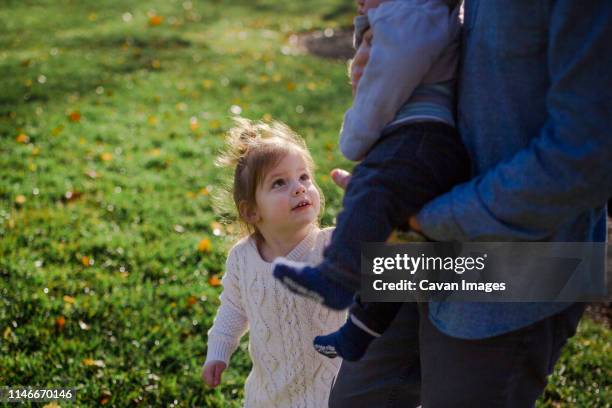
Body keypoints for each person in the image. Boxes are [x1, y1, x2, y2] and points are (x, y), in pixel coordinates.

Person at [330, 0, 612, 407]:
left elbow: (586, 158)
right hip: (413, 237)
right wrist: (374, 35)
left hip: (518, 267)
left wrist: (431, 218)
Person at [273, 0, 470, 362]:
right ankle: (362, 330)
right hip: (426, 139)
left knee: (371, 191)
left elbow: (384, 82)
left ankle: (337, 275)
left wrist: (355, 137)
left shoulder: (411, 10)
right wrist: (368, 16)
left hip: (419, 135)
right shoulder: (411, 12)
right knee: (400, 246)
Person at [201, 118, 345, 407]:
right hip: (270, 395)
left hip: (332, 393)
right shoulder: (243, 259)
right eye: (279, 182)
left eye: (304, 177)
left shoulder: (333, 246)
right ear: (252, 211)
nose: (299, 188)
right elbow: (232, 308)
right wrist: (218, 351)